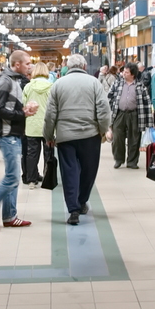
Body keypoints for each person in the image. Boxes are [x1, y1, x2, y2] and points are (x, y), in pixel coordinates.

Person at [43, 53, 111, 225]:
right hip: (90, 136)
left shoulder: (58, 84)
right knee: (89, 171)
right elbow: (103, 109)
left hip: (65, 137)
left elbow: (50, 114)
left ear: (68, 66)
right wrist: (103, 130)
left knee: (69, 172)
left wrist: (49, 135)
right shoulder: (94, 83)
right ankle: (81, 202)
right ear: (84, 67)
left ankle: (73, 209)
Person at [0, 50, 38, 231]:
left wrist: (23, 109)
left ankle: (10, 216)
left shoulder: (13, 80)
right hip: (7, 135)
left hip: (13, 133)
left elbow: (8, 106)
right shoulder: (6, 81)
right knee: (12, 176)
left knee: (13, 178)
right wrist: (22, 113)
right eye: (27, 63)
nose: (30, 66)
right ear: (17, 64)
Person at [107, 62, 153, 169]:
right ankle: (119, 159)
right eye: (124, 71)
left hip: (135, 114)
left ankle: (132, 162)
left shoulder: (140, 86)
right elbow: (109, 96)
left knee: (135, 139)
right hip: (119, 114)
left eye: (126, 72)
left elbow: (147, 103)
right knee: (118, 137)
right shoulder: (117, 83)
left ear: (132, 74)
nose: (123, 73)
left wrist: (148, 120)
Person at [23, 61, 53, 187]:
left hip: (32, 124)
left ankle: (31, 179)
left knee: (32, 153)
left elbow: (23, 105)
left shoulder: (28, 87)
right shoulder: (51, 87)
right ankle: (48, 178)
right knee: (48, 153)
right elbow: (54, 107)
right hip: (47, 125)